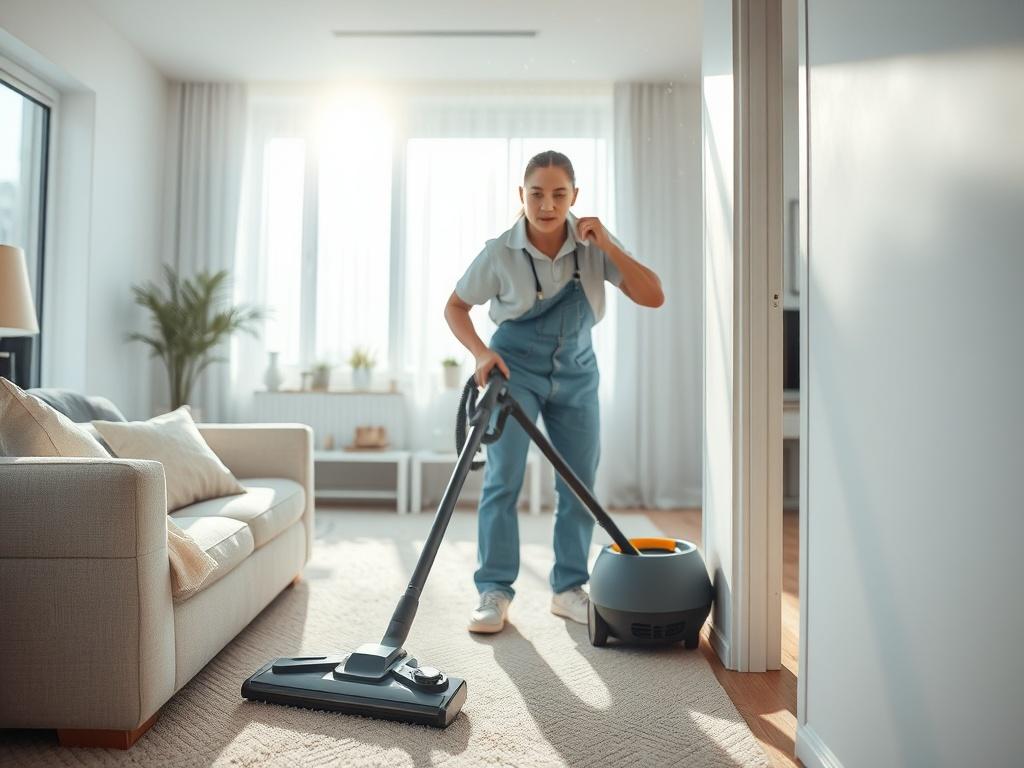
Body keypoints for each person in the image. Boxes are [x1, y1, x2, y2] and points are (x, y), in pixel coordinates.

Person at [444, 150, 664, 634]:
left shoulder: (592, 245)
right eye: (537, 193)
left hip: (578, 373)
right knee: (504, 481)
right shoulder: (499, 252)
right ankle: (494, 591)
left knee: (579, 483)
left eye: (559, 194)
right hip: (514, 370)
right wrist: (481, 353)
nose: (547, 204)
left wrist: (609, 245)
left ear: (575, 197)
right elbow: (456, 306)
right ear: (521, 196)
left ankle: (568, 589)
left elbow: (653, 295)